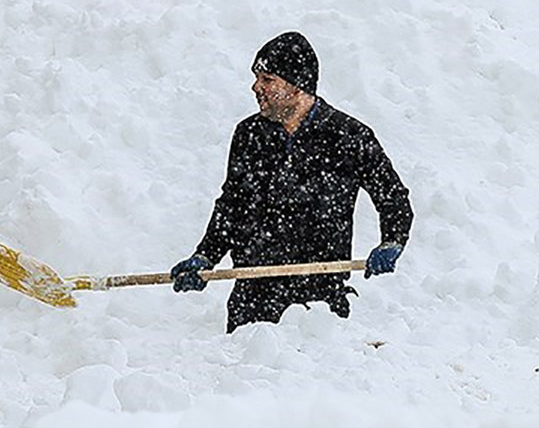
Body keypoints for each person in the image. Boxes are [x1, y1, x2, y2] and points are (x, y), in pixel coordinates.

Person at [170, 31, 414, 333]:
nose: (256, 87)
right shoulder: (249, 137)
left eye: (268, 79)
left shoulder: (348, 136)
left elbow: (392, 196)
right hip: (252, 300)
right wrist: (205, 255)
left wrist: (392, 240)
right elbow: (232, 206)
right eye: (257, 78)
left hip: (319, 305)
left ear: (297, 85)